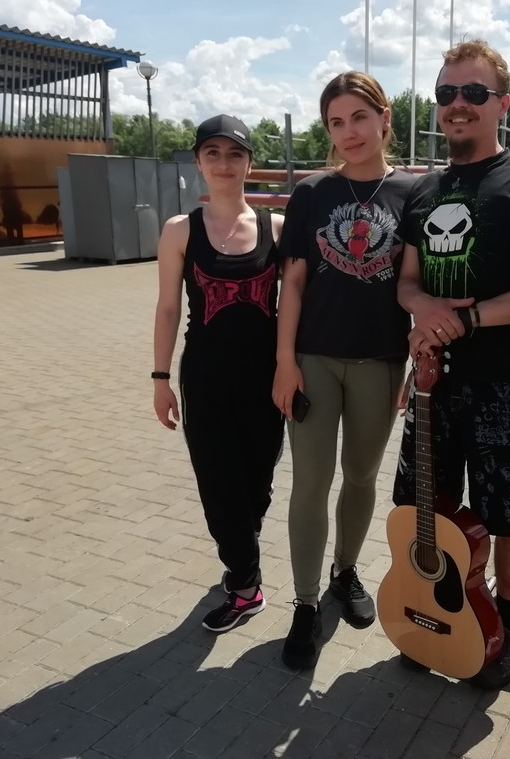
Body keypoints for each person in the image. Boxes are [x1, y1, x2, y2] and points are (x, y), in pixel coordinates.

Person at [392, 39, 510, 689]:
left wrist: (468, 319)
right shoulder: (422, 191)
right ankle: (429, 607)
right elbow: (406, 282)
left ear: (502, 103)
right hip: (431, 384)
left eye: (474, 92)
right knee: (422, 505)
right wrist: (424, 308)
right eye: (446, 93)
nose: (458, 104)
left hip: (499, 384)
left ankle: (501, 624)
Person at [272, 72, 416, 670]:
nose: (349, 132)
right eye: (336, 122)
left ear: (384, 117)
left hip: (380, 362)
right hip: (315, 361)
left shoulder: (415, 193)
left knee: (360, 476)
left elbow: (418, 283)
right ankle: (306, 603)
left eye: (359, 117)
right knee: (310, 481)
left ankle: (344, 570)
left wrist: (417, 360)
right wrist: (284, 361)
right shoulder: (312, 193)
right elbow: (293, 284)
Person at [152, 114, 285, 634]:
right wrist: (160, 379)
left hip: (266, 378)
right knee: (218, 481)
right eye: (213, 153)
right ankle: (247, 585)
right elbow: (167, 307)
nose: (224, 163)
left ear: (249, 163)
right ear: (198, 162)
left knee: (258, 483)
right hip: (206, 377)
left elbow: (298, 301)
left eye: (235, 154)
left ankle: (240, 554)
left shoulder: (277, 228)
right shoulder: (180, 230)